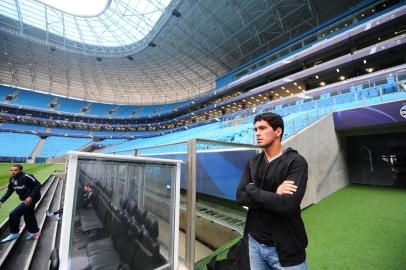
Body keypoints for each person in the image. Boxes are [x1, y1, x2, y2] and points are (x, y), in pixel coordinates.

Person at [236, 112, 308, 270]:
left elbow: (287, 205)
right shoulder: (252, 162)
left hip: (286, 248)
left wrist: (252, 189)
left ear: (278, 131)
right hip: (255, 244)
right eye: (255, 129)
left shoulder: (296, 162)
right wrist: (275, 194)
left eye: (262, 128)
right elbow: (240, 197)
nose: (257, 133)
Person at [0, 164, 42, 243]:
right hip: (25, 199)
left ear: (21, 170)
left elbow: (38, 185)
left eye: (15, 170)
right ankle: (36, 232)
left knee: (14, 214)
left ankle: (15, 233)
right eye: (11, 170)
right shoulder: (12, 179)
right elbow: (9, 191)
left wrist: (30, 197)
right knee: (29, 215)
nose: (13, 172)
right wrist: (1, 201)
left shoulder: (27, 176)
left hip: (33, 197)